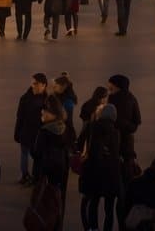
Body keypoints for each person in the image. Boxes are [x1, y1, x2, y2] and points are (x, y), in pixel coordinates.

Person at [30, 95, 75, 230]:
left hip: (46, 172)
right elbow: (71, 146)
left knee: (44, 203)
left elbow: (36, 153)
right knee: (59, 202)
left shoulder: (44, 131)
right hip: (62, 171)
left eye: (45, 111)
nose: (42, 112)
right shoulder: (65, 128)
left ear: (53, 114)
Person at [77, 104, 122, 231]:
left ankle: (93, 228)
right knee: (109, 208)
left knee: (93, 202)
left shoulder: (92, 127)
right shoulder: (116, 132)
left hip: (94, 171)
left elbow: (80, 143)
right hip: (111, 173)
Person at [13, 73, 48, 185]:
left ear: (44, 85)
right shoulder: (25, 98)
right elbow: (20, 117)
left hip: (38, 133)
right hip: (26, 132)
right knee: (25, 153)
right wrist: (17, 132)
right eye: (33, 83)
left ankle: (35, 176)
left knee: (37, 156)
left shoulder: (46, 100)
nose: (33, 86)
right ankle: (25, 175)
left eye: (36, 83)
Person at [106, 74, 142, 167]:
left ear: (117, 86)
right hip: (127, 138)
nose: (109, 87)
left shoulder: (111, 99)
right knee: (127, 163)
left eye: (111, 85)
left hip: (113, 137)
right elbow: (137, 119)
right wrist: (129, 127)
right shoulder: (132, 98)